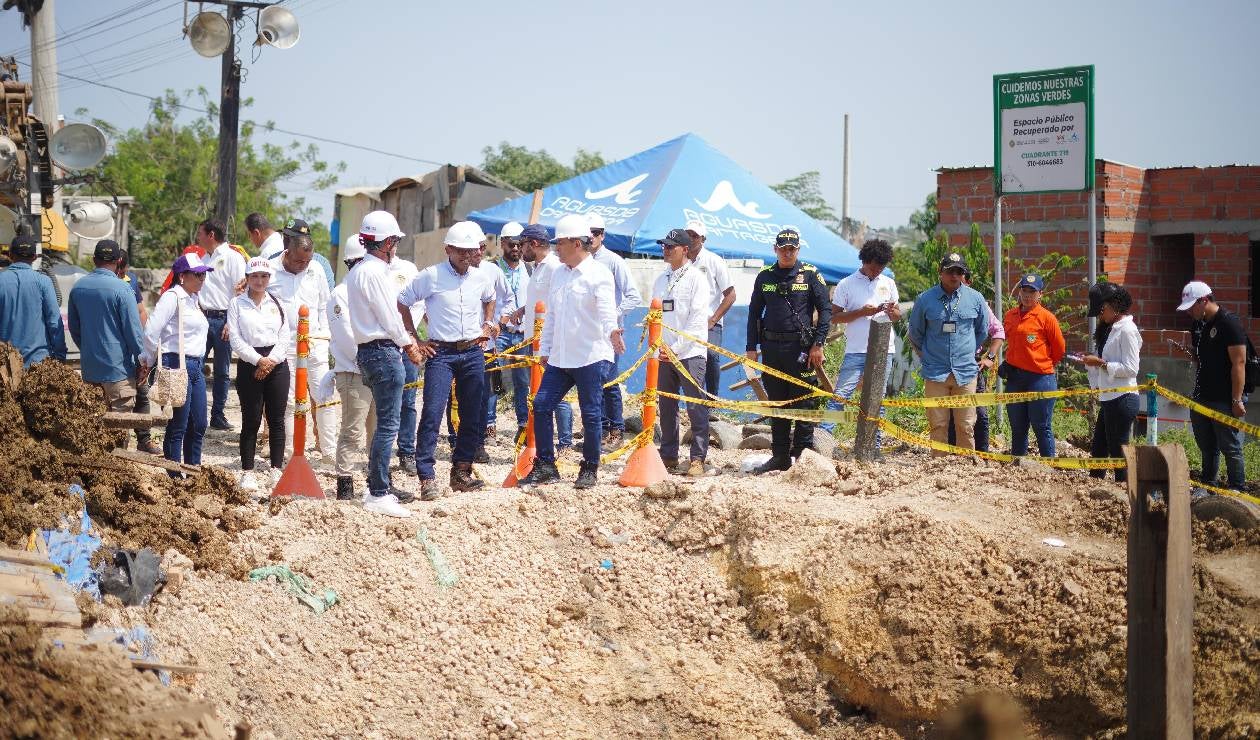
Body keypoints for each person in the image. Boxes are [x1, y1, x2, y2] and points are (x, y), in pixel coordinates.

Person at [520, 214, 623, 489]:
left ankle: (589, 468)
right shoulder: (558, 274)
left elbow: (606, 311)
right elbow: (552, 315)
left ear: (577, 244)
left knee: (591, 414)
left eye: (560, 243)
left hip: (590, 356)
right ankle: (545, 465)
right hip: (561, 358)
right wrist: (546, 347)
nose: (555, 247)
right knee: (541, 405)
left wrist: (613, 332)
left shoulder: (599, 273)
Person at [397, 221, 497, 499]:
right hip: (441, 352)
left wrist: (488, 323)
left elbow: (490, 298)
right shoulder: (430, 276)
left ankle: (461, 471)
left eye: (471, 250)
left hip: (473, 351)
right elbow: (402, 302)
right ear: (448, 249)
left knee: (472, 413)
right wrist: (415, 339)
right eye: (461, 251)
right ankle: (427, 476)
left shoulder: (481, 277)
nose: (467, 256)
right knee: (432, 412)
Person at [348, 211, 425, 517]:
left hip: (369, 350)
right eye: (394, 240)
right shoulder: (374, 273)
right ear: (387, 242)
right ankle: (379, 491)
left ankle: (377, 486)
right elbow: (389, 316)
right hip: (383, 350)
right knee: (388, 424)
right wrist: (410, 344)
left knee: (385, 422)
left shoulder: (358, 271)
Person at [745, 228, 832, 473]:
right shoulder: (765, 276)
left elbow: (825, 310)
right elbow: (753, 314)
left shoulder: (810, 274)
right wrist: (751, 348)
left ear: (798, 250)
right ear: (775, 249)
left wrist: (819, 344)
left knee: (803, 403)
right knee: (778, 402)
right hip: (771, 349)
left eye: (792, 248)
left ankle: (803, 458)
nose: (787, 252)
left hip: (801, 349)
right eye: (783, 248)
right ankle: (780, 456)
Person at [268, 219, 338, 460]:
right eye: (298, 261)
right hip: (284, 349)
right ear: (287, 252)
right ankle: (290, 452)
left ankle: (329, 452)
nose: (303, 265)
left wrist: (324, 340)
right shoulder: (269, 269)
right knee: (288, 401)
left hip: (315, 346)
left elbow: (324, 308)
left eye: (307, 261)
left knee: (325, 398)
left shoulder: (316, 270)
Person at [907, 253, 990, 454]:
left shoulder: (975, 298)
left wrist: (968, 352)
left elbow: (982, 331)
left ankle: (965, 469)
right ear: (940, 272)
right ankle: (940, 465)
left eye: (959, 271)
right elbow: (915, 334)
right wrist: (928, 356)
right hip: (936, 372)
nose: (955, 276)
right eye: (950, 271)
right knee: (938, 425)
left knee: (966, 425)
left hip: (966, 372)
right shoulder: (925, 299)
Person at [67, 240, 145, 445]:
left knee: (94, 432)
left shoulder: (78, 288)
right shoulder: (122, 289)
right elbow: (134, 333)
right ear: (119, 261)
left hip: (90, 370)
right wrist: (143, 362)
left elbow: (75, 329)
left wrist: (89, 349)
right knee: (118, 436)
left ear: (94, 260)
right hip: (118, 372)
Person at [825, 238, 901, 446]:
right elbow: (834, 317)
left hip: (884, 349)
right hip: (856, 350)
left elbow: (897, 316)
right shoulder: (846, 284)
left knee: (877, 397)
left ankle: (873, 446)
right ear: (865, 261)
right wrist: (861, 312)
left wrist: (892, 311)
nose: (877, 271)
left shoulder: (889, 283)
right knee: (841, 395)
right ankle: (822, 438)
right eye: (874, 266)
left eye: (882, 267)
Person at [1178, 281, 1250, 492]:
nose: (1190, 312)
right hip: (1202, 395)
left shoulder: (1229, 323)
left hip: (1224, 398)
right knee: (1207, 446)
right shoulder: (1199, 325)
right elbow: (1204, 359)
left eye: (1192, 306)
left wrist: (1236, 399)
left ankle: (1238, 488)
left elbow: (1239, 362)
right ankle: (1209, 484)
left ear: (1204, 300)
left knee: (1230, 446)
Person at [142, 253, 213, 468]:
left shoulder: (193, 299)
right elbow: (151, 331)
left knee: (199, 423)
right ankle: (174, 474)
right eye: (198, 274)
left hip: (196, 365)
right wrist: (148, 359)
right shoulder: (172, 297)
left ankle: (192, 470)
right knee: (179, 424)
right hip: (176, 362)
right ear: (182, 276)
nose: (202, 278)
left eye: (203, 274)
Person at [228, 257, 291, 494]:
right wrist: (258, 361)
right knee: (251, 419)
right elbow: (236, 338)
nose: (259, 281)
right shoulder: (237, 304)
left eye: (264, 276)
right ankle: (248, 471)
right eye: (254, 276)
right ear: (247, 278)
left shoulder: (278, 302)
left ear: (269, 278)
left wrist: (271, 360)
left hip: (277, 362)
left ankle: (276, 468)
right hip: (250, 362)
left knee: (276, 419)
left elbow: (285, 335)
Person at [653, 229, 713, 476]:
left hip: (690, 353)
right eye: (664, 246)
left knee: (696, 406)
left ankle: (698, 458)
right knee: (666, 406)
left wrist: (675, 349)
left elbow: (697, 322)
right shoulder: (660, 279)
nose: (666, 250)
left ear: (685, 250)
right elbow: (654, 316)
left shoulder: (696, 279)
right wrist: (658, 348)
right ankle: (668, 455)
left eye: (671, 246)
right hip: (664, 353)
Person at [516, 223, 574, 454]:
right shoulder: (539, 268)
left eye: (523, 244)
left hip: (548, 343)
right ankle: (541, 439)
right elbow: (540, 301)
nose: (520, 249)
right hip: (534, 341)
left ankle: (566, 442)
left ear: (535, 243)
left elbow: (557, 304)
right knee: (539, 392)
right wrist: (521, 311)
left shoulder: (553, 268)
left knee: (553, 393)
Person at [586, 213, 642, 449]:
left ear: (603, 235)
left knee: (609, 381)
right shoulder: (580, 262)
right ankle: (597, 430)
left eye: (596, 233)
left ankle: (616, 429)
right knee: (591, 382)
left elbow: (633, 295)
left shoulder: (613, 261)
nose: (593, 237)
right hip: (587, 331)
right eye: (589, 233)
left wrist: (612, 314)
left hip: (609, 332)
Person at [328, 234, 376, 501]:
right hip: (355, 371)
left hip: (375, 371)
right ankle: (344, 483)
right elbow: (346, 336)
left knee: (377, 430)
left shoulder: (372, 290)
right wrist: (369, 361)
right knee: (353, 430)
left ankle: (376, 481)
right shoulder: (340, 295)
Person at [1079, 283, 1141, 483]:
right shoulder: (1109, 329)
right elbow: (1102, 363)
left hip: (1123, 397)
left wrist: (1103, 364)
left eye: (1102, 310)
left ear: (1114, 305)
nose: (1100, 315)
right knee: (1099, 448)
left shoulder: (1128, 330)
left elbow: (1131, 368)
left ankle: (1124, 492)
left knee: (1118, 449)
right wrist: (1092, 362)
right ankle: (1095, 488)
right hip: (1109, 397)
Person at [1002, 273, 1066, 457]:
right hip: (1015, 378)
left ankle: (1049, 468)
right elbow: (1008, 342)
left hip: (1040, 379)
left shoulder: (1047, 318)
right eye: (1024, 290)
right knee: (1017, 426)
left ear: (1040, 294)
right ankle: (1018, 466)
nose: (1028, 295)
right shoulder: (1010, 315)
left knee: (1041, 426)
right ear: (1019, 292)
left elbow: (1059, 349)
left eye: (1032, 291)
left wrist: (1040, 364)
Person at [196, 219, 247, 431]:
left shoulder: (234, 258)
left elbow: (240, 292)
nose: (198, 237)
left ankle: (217, 415)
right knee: (195, 366)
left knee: (222, 371)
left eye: (201, 233)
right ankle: (195, 413)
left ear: (211, 235)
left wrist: (230, 321)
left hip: (224, 318)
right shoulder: (203, 258)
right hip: (202, 317)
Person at [948, 270, 1005, 451]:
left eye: (960, 281)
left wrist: (989, 357)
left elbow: (998, 332)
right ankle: (951, 455)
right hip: (945, 364)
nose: (955, 285)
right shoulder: (941, 302)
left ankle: (982, 454)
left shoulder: (978, 303)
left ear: (968, 282)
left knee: (979, 412)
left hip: (971, 364)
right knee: (949, 412)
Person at [469, 236, 511, 463]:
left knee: (483, 395)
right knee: (457, 398)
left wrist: (499, 323)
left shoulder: (492, 272)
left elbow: (508, 299)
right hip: (456, 346)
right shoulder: (445, 273)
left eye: (478, 247)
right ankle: (458, 439)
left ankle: (478, 444)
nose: (474, 252)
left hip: (485, 346)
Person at [116, 250, 162, 454]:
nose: (120, 273)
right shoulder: (102, 283)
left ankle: (144, 439)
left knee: (142, 392)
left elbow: (141, 311)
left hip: (133, 345)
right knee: (118, 395)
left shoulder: (131, 281)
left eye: (122, 270)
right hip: (114, 347)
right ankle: (119, 440)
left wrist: (144, 344)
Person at [684, 220, 737, 397]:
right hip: (683, 322)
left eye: (695, 236)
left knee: (711, 355)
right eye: (688, 234)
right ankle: (690, 403)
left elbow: (731, 294)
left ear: (703, 239)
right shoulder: (678, 261)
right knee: (681, 359)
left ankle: (712, 401)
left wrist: (713, 319)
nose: (691, 239)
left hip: (709, 322)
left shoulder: (714, 261)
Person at [0, 234, 67, 367]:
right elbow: (54, 322)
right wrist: (60, 356)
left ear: (10, 254)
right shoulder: (44, 281)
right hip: (37, 366)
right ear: (34, 257)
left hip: (5, 367)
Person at [491, 222, 531, 440]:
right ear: (502, 243)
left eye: (519, 244)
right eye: (511, 244)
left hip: (523, 335)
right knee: (492, 379)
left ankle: (523, 425)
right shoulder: (491, 269)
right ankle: (489, 425)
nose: (515, 248)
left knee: (522, 382)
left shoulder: (531, 269)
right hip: (499, 332)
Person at [386, 246, 421, 476]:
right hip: (382, 346)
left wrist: (410, 334)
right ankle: (380, 452)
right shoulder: (370, 269)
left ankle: (407, 452)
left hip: (408, 344)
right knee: (383, 403)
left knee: (408, 402)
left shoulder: (408, 269)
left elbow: (418, 304)